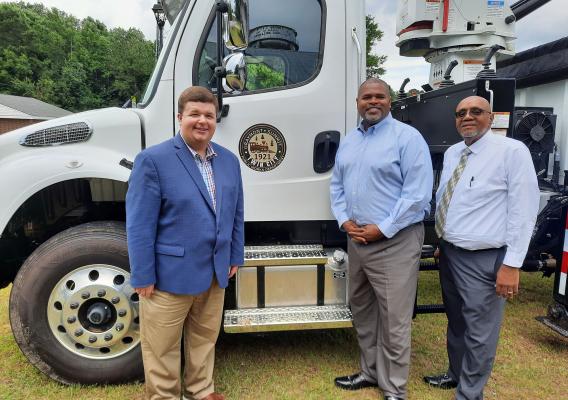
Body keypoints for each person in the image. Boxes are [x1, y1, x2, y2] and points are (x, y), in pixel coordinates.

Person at [126, 86, 244, 400]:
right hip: (169, 275)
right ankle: (164, 396)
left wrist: (235, 254)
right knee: (161, 346)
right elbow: (139, 224)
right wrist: (143, 274)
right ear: (180, 117)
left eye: (209, 115)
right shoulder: (153, 160)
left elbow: (235, 213)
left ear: (216, 119)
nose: (202, 120)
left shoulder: (230, 161)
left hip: (215, 272)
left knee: (205, 338)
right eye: (194, 114)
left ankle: (201, 390)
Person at [424, 96, 539, 399]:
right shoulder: (453, 153)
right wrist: (442, 241)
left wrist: (512, 264)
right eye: (461, 113)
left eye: (476, 112)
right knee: (457, 320)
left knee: (479, 331)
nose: (468, 117)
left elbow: (523, 212)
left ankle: (470, 393)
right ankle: (456, 373)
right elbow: (451, 201)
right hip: (450, 253)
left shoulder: (512, 152)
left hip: (485, 258)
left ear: (490, 117)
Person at [330, 78, 433, 400]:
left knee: (394, 318)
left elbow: (417, 196)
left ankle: (394, 388)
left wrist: (384, 228)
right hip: (358, 239)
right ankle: (370, 371)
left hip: (394, 240)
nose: (372, 102)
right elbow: (337, 185)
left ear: (390, 101)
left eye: (379, 96)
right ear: (357, 101)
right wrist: (344, 219)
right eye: (366, 97)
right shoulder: (349, 141)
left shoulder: (407, 138)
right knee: (361, 308)